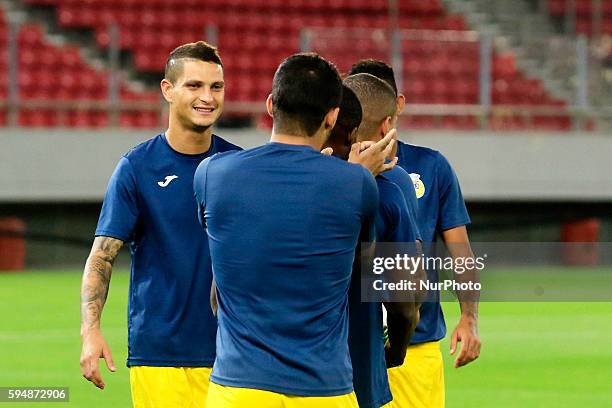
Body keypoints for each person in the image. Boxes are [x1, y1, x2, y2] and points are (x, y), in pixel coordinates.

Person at [194, 53, 394, 408]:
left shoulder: (212, 175)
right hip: (324, 388)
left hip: (238, 388)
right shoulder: (358, 184)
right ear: (333, 116)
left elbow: (217, 283)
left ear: (271, 104)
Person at [78, 41, 241, 407]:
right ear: (168, 90)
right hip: (162, 358)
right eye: (194, 86)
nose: (208, 97)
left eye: (216, 87)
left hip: (237, 356)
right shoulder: (137, 168)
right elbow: (102, 257)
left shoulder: (240, 167)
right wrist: (91, 331)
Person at [350, 59, 481, 408]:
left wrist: (469, 319)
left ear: (396, 107)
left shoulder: (431, 166)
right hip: (348, 345)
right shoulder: (331, 165)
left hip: (414, 349)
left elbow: (461, 253)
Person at [325, 80, 424, 408]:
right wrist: (397, 346)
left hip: (269, 374)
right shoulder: (393, 187)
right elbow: (406, 296)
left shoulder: (270, 178)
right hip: (360, 371)